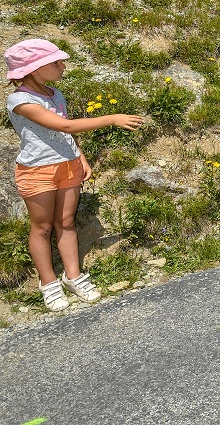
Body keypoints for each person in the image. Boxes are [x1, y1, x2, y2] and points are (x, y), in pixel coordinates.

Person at [5, 39, 144, 311]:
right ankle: (48, 282)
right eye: (56, 62)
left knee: (66, 222)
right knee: (42, 228)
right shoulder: (20, 100)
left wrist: (80, 157)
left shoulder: (55, 94)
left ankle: (73, 276)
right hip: (37, 170)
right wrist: (111, 118)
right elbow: (65, 125)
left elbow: (64, 133)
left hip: (68, 165)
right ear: (35, 69)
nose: (62, 66)